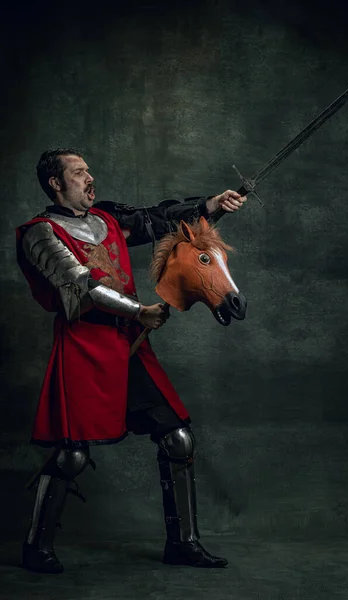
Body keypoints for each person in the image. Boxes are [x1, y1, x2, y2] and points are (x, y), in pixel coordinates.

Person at [16, 148, 247, 574]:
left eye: (89, 171)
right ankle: (37, 546)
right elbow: (80, 287)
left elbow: (155, 221)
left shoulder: (106, 221)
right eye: (79, 172)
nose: (89, 178)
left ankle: (183, 543)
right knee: (72, 457)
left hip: (129, 346)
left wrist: (211, 206)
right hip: (84, 348)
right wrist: (139, 311)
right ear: (55, 183)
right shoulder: (40, 233)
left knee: (178, 438)